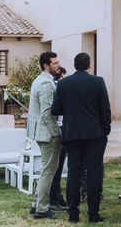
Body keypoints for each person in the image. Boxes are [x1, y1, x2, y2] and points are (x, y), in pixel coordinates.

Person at [52, 52, 111, 223]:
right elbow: (105, 109)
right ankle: (93, 213)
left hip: (72, 134)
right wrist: (105, 130)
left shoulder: (64, 84)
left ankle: (73, 214)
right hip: (94, 134)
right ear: (89, 65)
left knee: (73, 172)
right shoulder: (98, 81)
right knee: (94, 172)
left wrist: (70, 110)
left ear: (74, 65)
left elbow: (55, 110)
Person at [27, 51, 62, 220]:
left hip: (40, 132)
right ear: (46, 65)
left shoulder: (39, 80)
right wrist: (57, 133)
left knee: (45, 170)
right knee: (49, 171)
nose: (58, 65)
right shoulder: (46, 84)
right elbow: (47, 113)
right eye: (54, 63)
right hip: (48, 134)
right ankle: (42, 208)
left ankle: (36, 204)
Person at [49, 66, 68, 212]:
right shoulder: (56, 90)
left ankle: (56, 196)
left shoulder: (58, 88)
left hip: (61, 129)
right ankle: (54, 198)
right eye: (64, 77)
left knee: (57, 167)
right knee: (56, 167)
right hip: (57, 130)